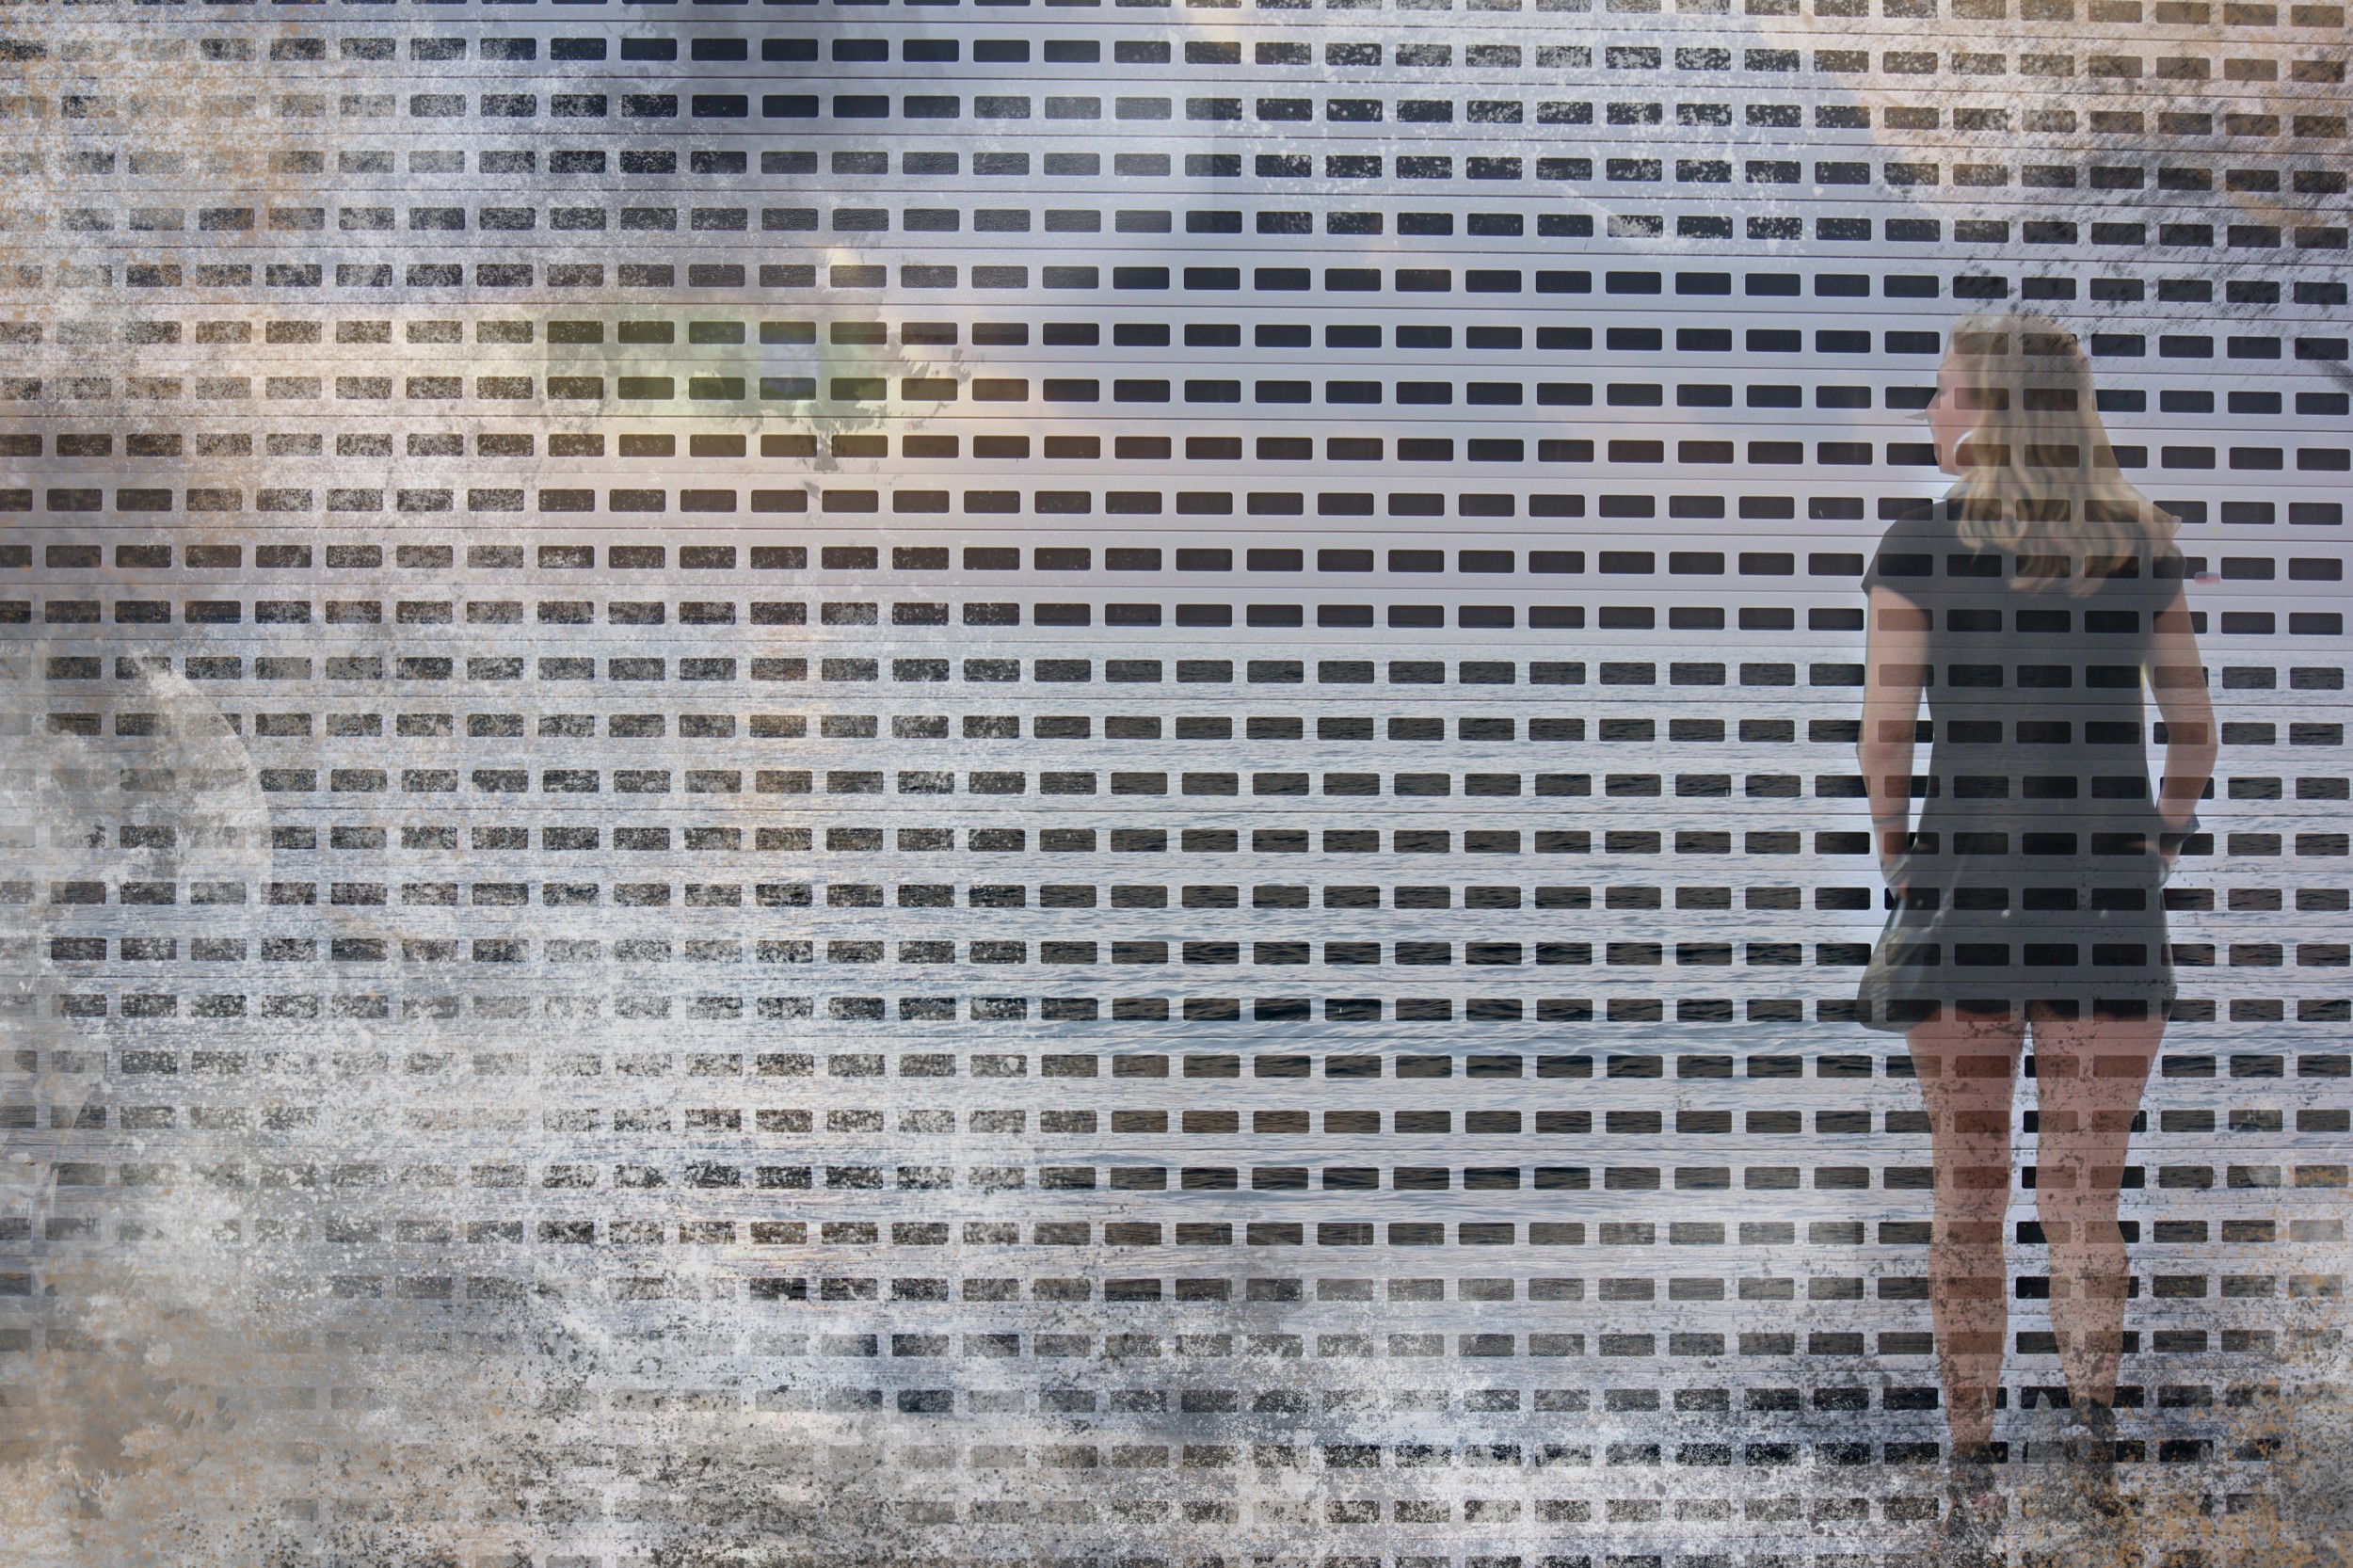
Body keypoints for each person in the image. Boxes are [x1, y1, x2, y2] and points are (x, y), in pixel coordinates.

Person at [1854, 312, 2217, 1550]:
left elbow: (1886, 740)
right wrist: (2152, 853)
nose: (1930, 411)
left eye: (1947, 391)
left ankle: (1969, 1470)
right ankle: (2094, 1454)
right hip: (2107, 909)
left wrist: (1900, 858)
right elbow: (2195, 736)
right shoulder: (2141, 541)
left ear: (1998, 409)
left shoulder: (1920, 543)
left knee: (1968, 1194)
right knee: (2082, 1196)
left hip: (1966, 901)